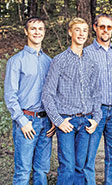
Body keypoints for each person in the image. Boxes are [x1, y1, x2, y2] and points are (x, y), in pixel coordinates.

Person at [42, 17, 102, 185]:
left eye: (84, 30)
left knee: (80, 167)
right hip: (67, 122)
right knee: (67, 166)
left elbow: (96, 93)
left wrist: (96, 119)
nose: (81, 33)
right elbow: (47, 94)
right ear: (70, 32)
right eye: (77, 30)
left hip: (86, 122)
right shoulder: (59, 60)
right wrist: (58, 121)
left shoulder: (92, 63)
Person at [4, 17, 55, 185]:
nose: (37, 32)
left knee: (42, 171)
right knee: (23, 171)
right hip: (26, 122)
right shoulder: (16, 61)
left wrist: (54, 119)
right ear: (26, 31)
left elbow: (53, 94)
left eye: (40, 28)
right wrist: (22, 121)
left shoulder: (49, 62)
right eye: (33, 28)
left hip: (46, 122)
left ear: (44, 32)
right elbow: (10, 96)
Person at [84, 13, 112, 185]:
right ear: (95, 27)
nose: (106, 30)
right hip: (95, 110)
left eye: (109, 27)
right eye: (102, 26)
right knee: (88, 156)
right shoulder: (86, 53)